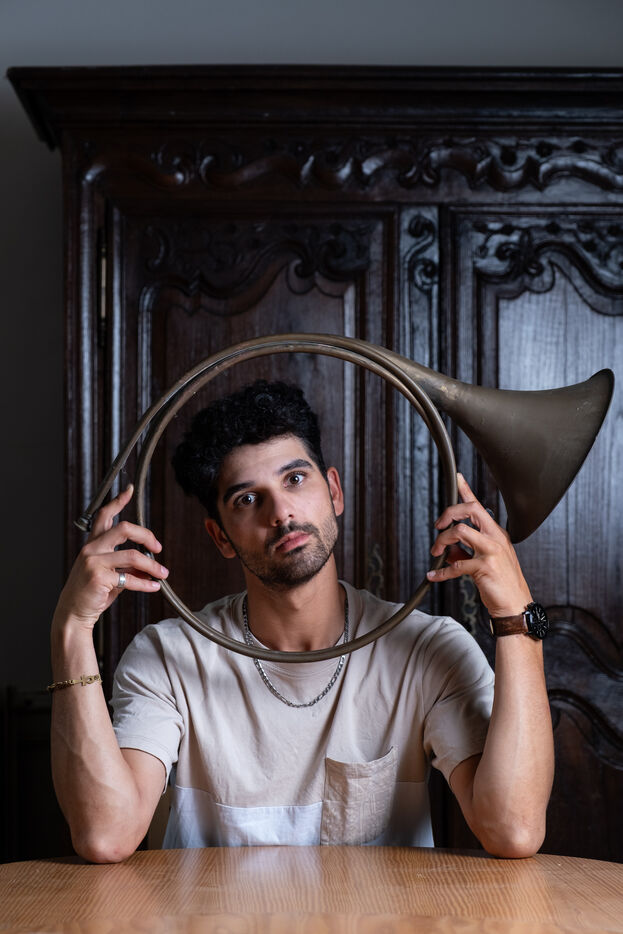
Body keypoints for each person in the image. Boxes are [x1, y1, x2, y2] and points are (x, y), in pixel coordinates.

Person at [49, 380, 554, 863]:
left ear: (333, 491)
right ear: (221, 537)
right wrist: (72, 628)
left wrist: (517, 617)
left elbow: (513, 828)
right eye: (247, 499)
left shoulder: (426, 650)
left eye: (294, 479)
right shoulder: (168, 657)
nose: (281, 512)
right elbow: (106, 835)